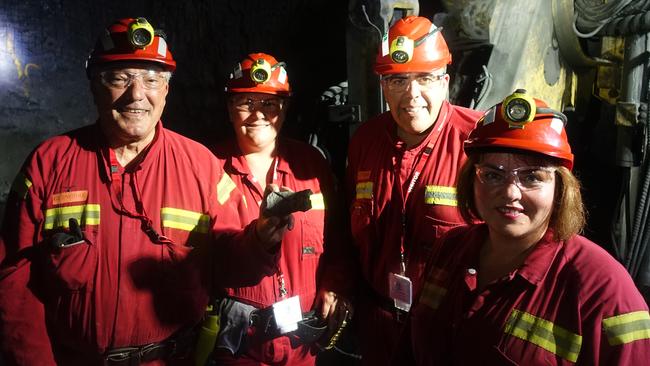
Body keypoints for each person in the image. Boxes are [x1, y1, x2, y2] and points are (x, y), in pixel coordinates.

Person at [0, 17, 262, 365]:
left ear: (166, 90)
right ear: (94, 86)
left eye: (151, 79)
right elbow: (14, 283)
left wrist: (262, 241)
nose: (137, 94)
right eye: (120, 78)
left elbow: (231, 265)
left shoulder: (203, 166)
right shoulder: (47, 164)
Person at [410, 90, 650, 365]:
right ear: (471, 183)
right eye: (492, 175)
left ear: (560, 188)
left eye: (532, 176)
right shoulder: (449, 249)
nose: (511, 192)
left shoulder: (605, 291)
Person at [345, 15, 483, 364]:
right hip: (379, 322)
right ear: (383, 87)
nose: (412, 95)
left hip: (450, 328)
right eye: (397, 81)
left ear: (445, 83)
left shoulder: (479, 141)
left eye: (425, 78)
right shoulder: (365, 141)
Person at [210, 53, 349, 366]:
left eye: (270, 104)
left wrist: (334, 285)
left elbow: (339, 237)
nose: (258, 114)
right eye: (247, 102)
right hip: (237, 346)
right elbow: (202, 259)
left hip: (302, 346)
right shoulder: (206, 167)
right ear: (231, 107)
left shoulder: (311, 165)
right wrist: (257, 238)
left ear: (285, 109)